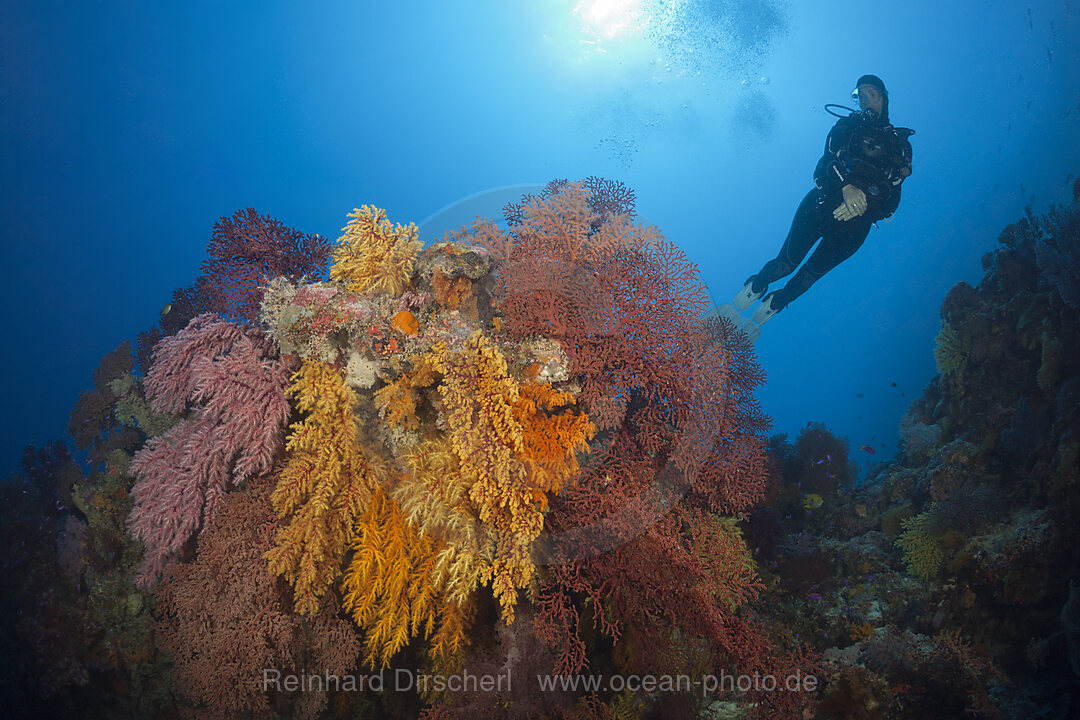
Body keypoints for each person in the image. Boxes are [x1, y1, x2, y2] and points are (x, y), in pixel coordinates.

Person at [717, 75, 914, 343]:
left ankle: (772, 307)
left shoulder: (900, 145)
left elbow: (892, 197)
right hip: (821, 204)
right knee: (785, 264)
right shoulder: (847, 125)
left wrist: (865, 200)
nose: (867, 102)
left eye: (873, 95)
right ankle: (749, 292)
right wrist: (846, 187)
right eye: (861, 96)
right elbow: (826, 161)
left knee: (809, 277)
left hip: (856, 226)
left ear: (885, 98)